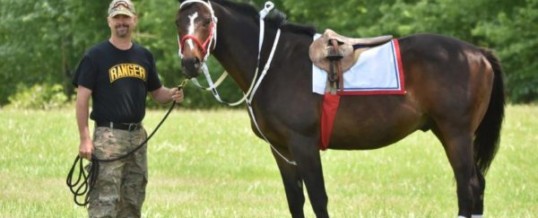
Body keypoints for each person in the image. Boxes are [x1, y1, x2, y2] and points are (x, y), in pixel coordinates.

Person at [72, 0, 183, 217]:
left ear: (134, 20)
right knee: (105, 202)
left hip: (138, 137)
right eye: (116, 17)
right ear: (109, 21)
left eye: (125, 17)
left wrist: (173, 94)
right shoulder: (95, 56)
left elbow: (157, 93)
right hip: (108, 137)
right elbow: (82, 100)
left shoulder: (144, 56)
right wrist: (85, 138)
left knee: (133, 201)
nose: (121, 22)